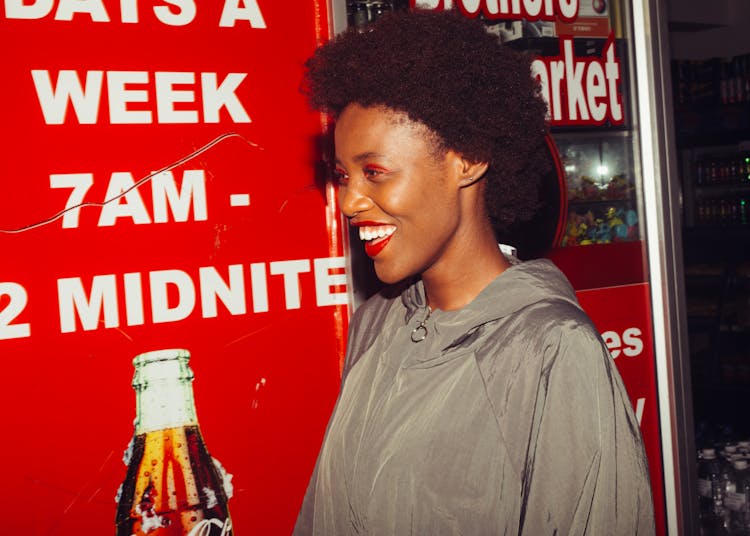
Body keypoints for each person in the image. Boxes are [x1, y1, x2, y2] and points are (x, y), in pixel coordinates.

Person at [294, 8, 655, 536]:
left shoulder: (551, 347)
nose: (350, 201)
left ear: (469, 159)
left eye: (374, 172)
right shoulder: (375, 322)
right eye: (344, 176)